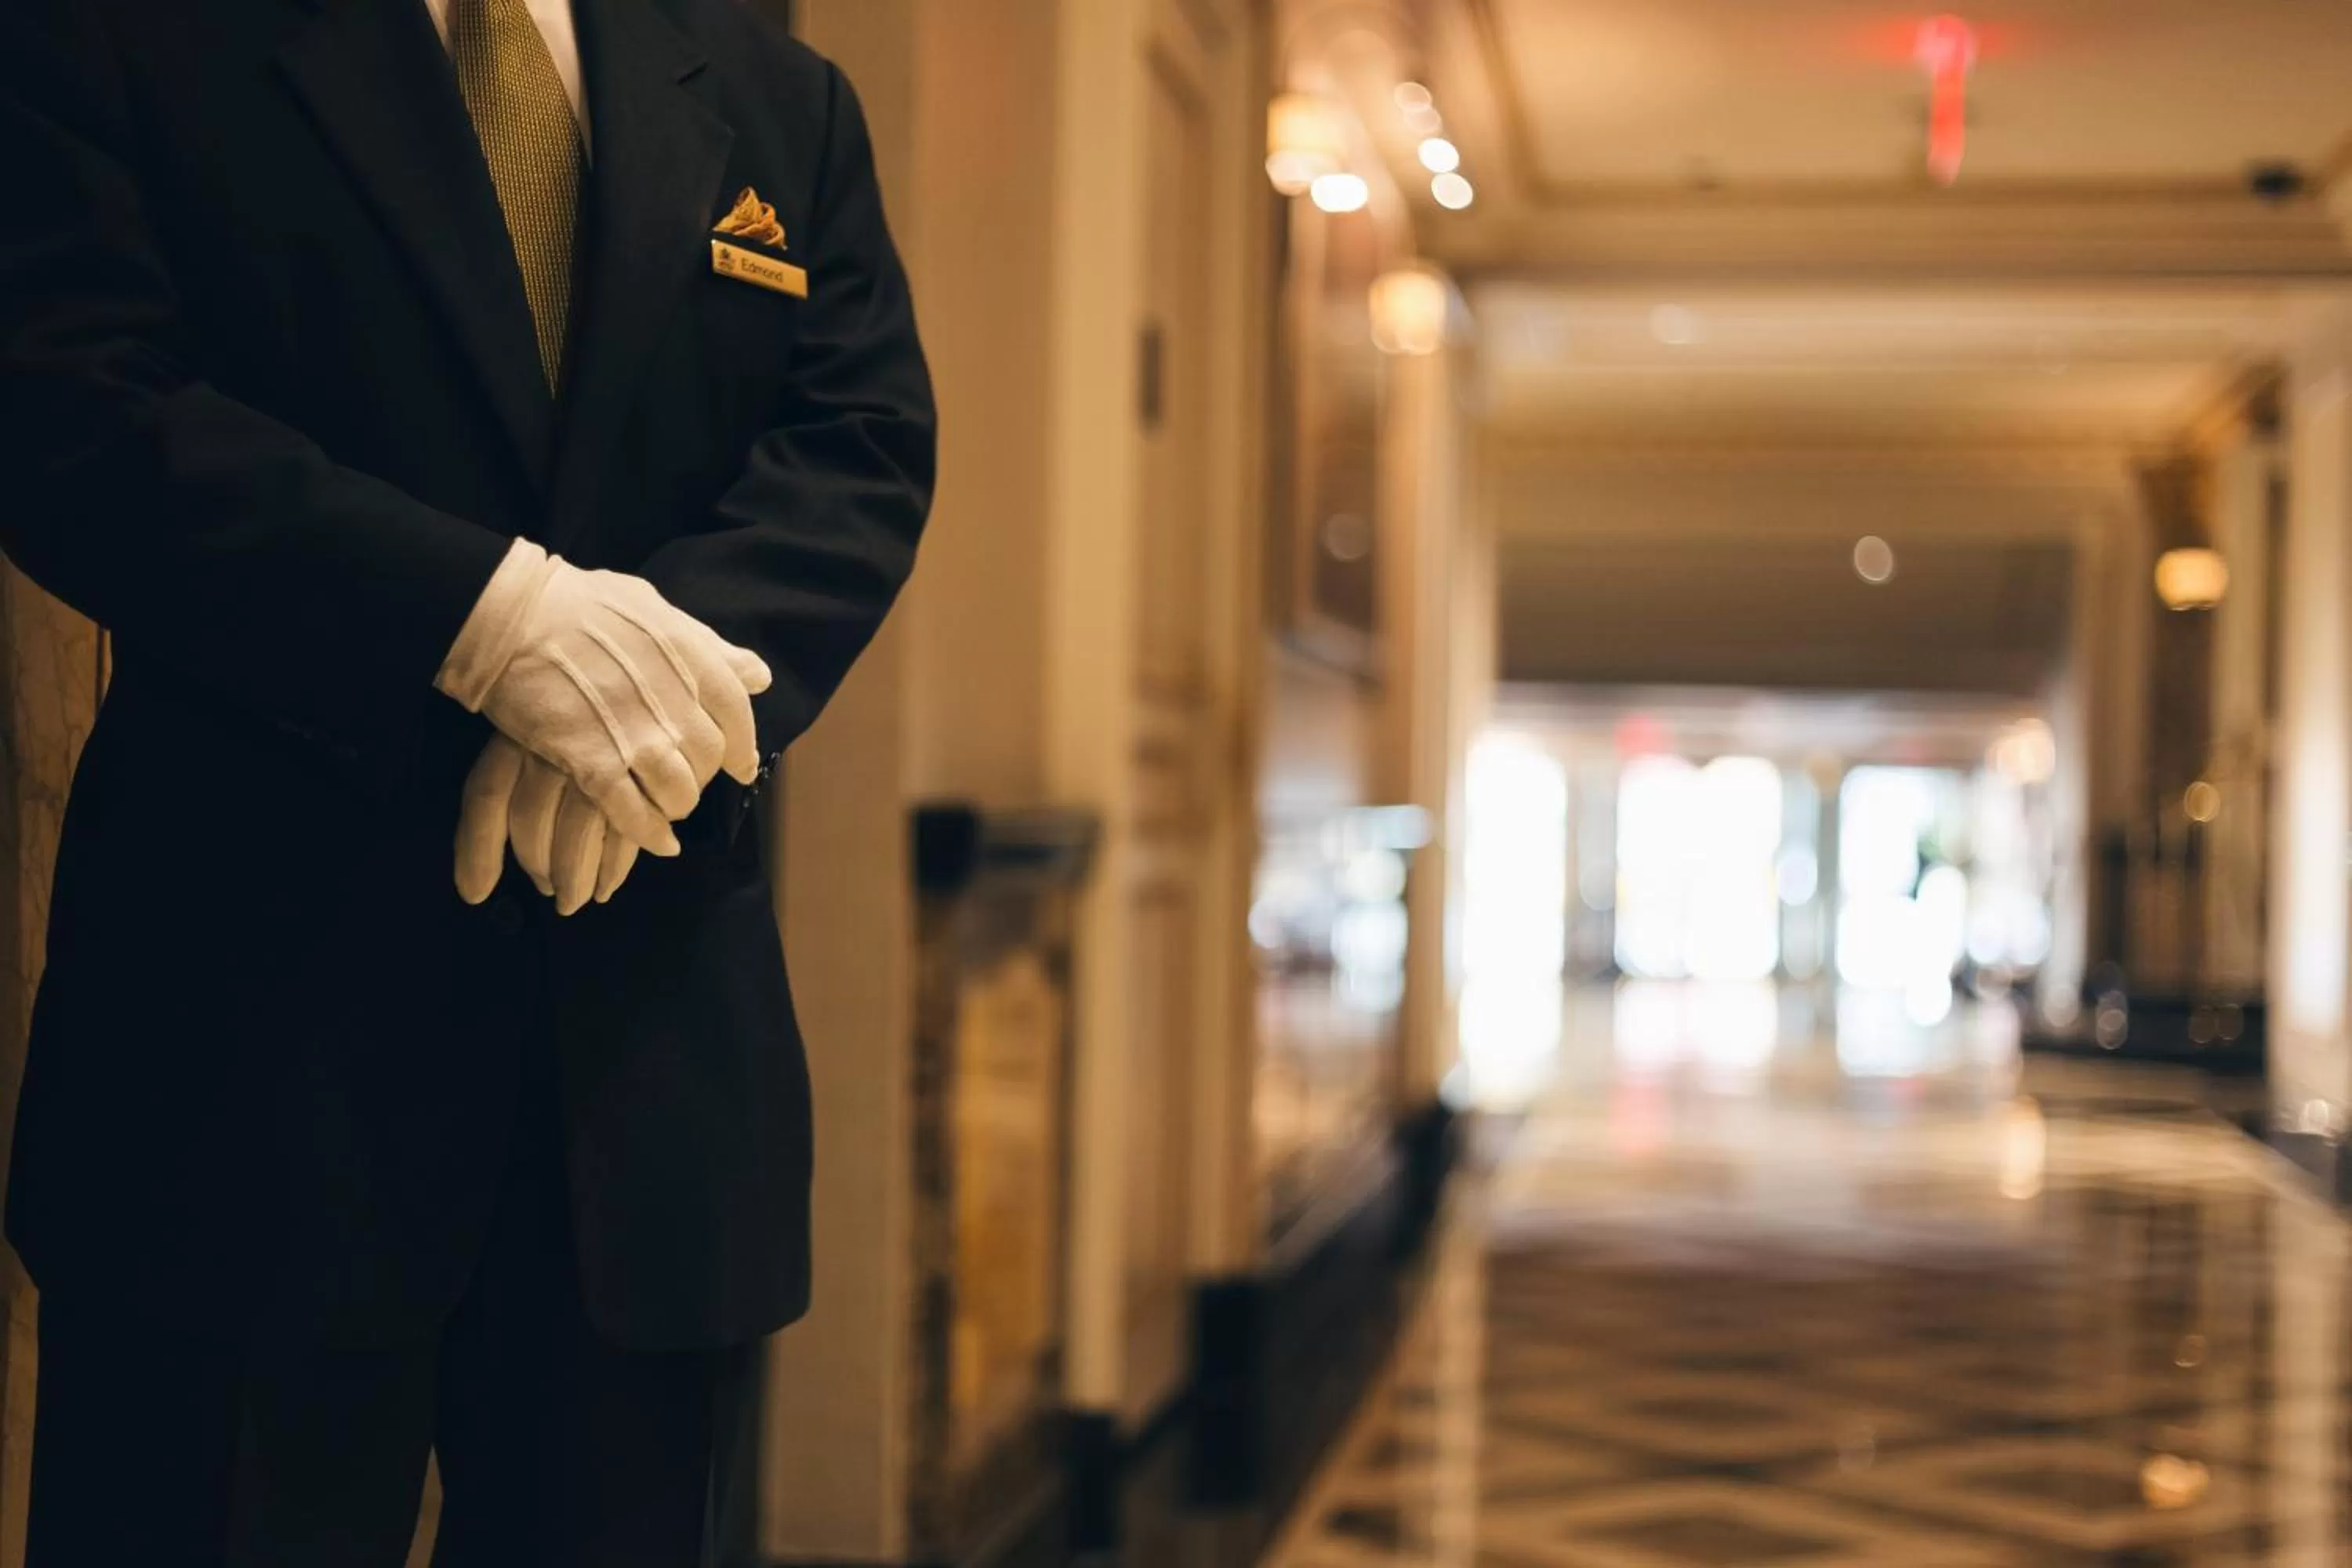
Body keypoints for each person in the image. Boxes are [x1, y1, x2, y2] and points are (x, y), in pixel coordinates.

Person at [0, 0, 935, 1559]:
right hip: (245, 1074)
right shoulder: (120, 28)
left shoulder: (782, 99)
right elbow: (66, 395)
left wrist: (638, 702)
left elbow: (858, 445)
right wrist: (485, 624)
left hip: (642, 1078)